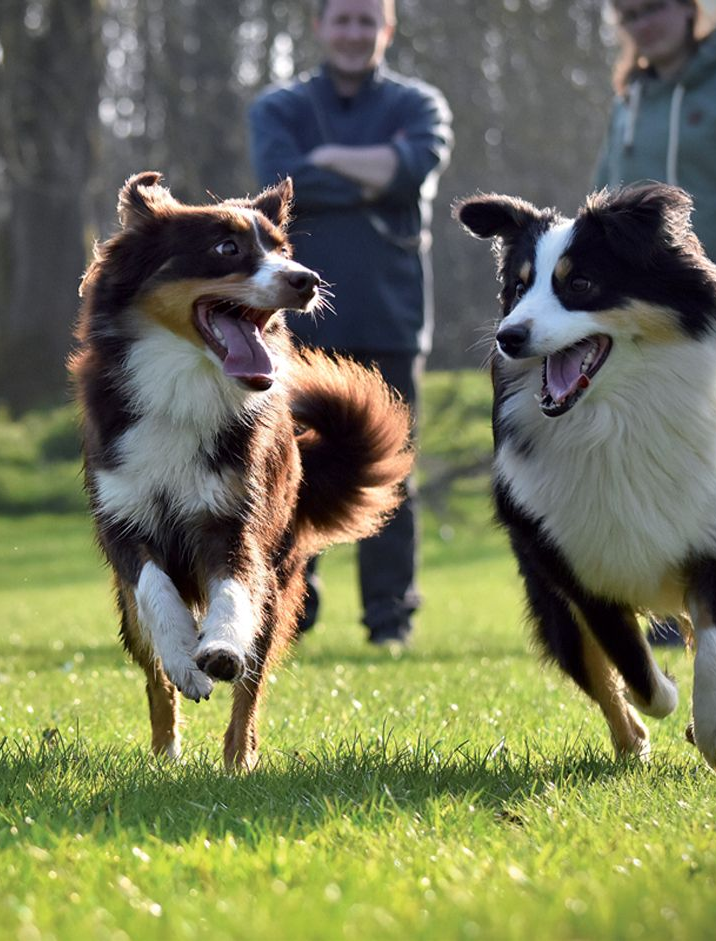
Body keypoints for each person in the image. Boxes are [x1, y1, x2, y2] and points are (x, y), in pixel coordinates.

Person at [247, 0, 452, 648]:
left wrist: (327, 159)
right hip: (296, 323)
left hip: (390, 317)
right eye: (343, 19)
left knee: (391, 470)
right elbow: (285, 182)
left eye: (368, 20)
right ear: (319, 26)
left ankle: (390, 620)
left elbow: (411, 169)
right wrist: (372, 170)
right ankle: (290, 610)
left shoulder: (420, 105)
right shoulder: (278, 108)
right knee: (286, 466)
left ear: (386, 29)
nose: (354, 32)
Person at [593, 0, 716, 645]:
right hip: (633, 323)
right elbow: (596, 203)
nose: (642, 22)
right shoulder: (629, 99)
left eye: (654, 7)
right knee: (636, 455)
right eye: (628, 13)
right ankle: (656, 605)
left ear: (689, 10)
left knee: (715, 466)